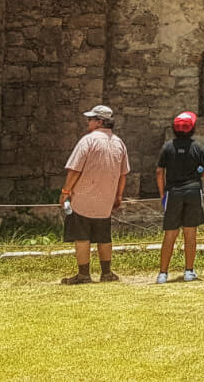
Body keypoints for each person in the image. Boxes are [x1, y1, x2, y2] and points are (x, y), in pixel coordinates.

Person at [59, 105, 132, 284]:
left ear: (99, 122)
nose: (88, 122)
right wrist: (118, 196)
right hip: (105, 200)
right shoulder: (119, 143)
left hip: (83, 198)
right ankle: (106, 272)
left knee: (82, 237)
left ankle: (84, 274)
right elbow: (123, 174)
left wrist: (65, 191)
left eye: (91, 119)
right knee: (104, 237)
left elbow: (75, 169)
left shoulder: (88, 141)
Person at [155, 110, 204, 284]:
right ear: (193, 129)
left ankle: (163, 274)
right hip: (193, 191)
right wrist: (196, 177)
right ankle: (189, 271)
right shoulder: (198, 147)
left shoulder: (167, 147)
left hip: (173, 192)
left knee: (170, 233)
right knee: (190, 232)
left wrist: (162, 193)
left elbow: (159, 171)